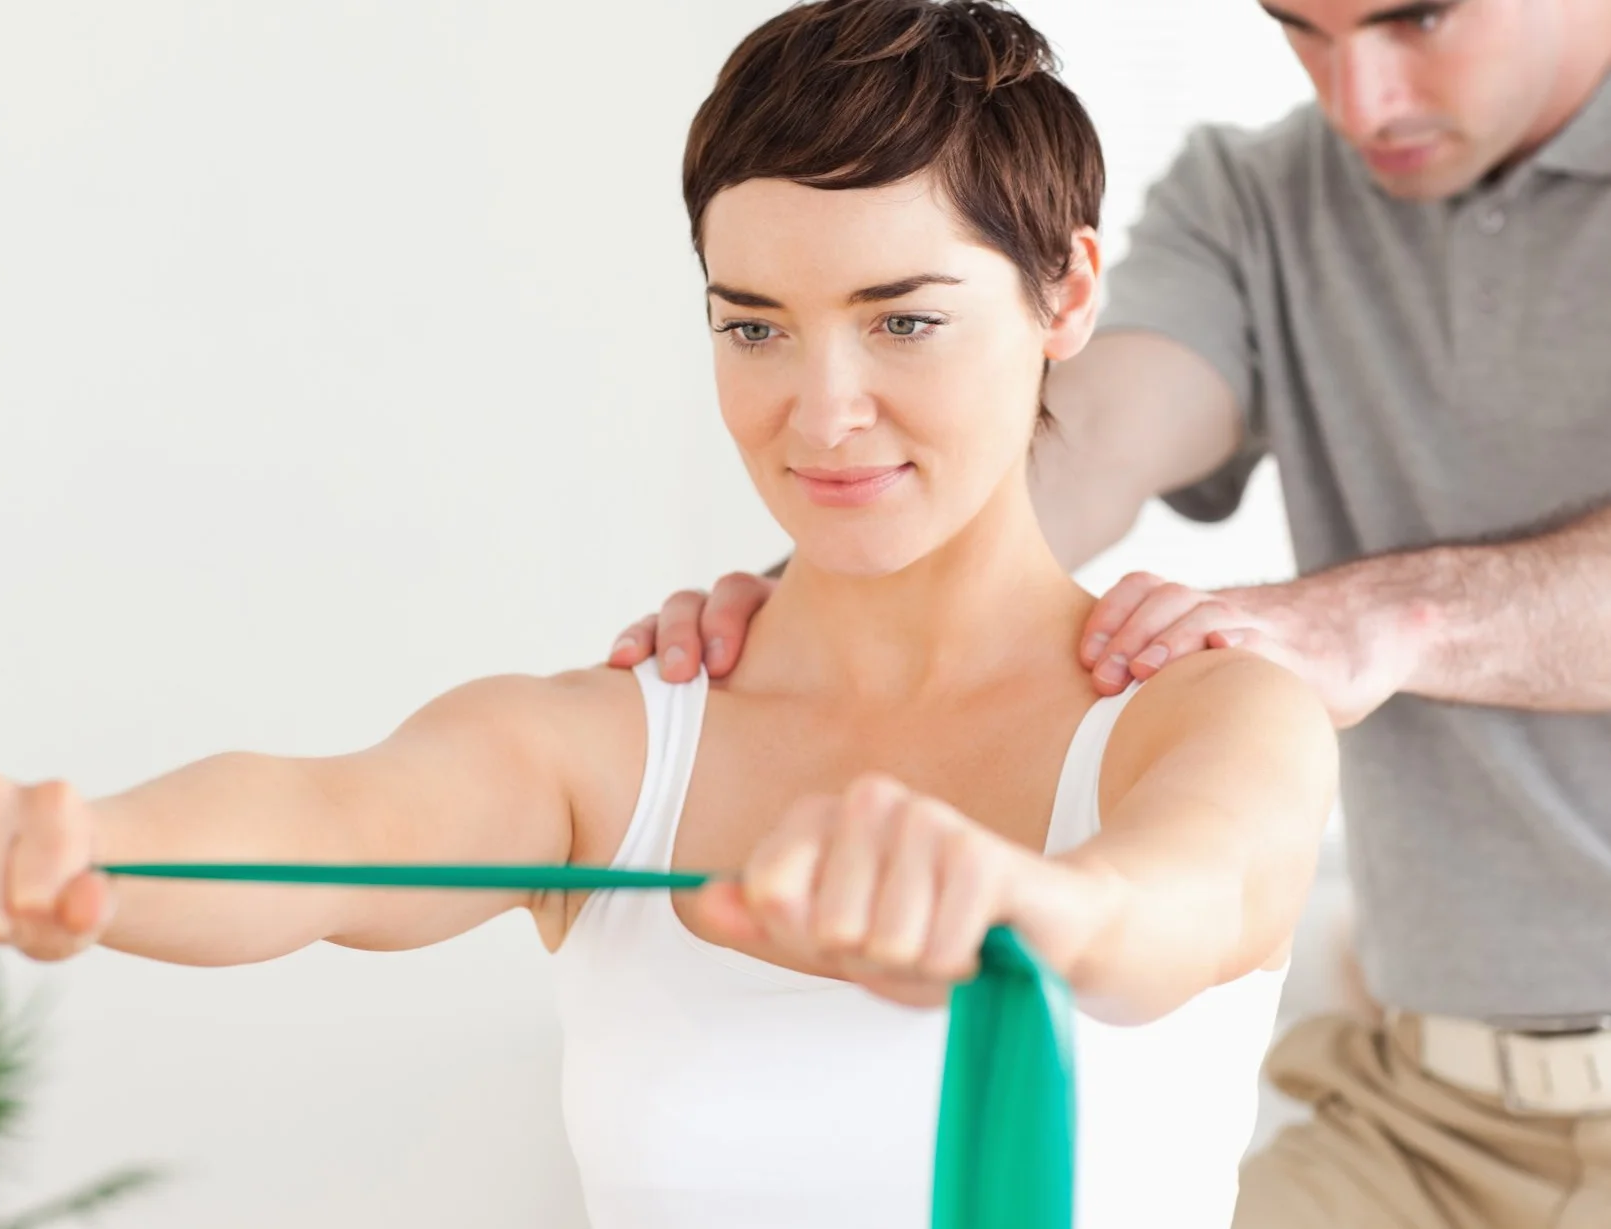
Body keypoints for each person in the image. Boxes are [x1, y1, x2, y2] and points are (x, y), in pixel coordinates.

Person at [0, 2, 1337, 1226]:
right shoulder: (609, 746)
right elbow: (329, 825)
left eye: (901, 318)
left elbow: (1174, 908)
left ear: (1065, 290)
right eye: (752, 323)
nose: (820, 412)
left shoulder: (1204, 711)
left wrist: (1020, 903)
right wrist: (74, 852)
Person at [614, 0, 1611, 1225]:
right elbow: (1062, 447)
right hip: (1417, 1109)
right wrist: (797, 605)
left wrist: (1386, 620)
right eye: (1303, 29)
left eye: (1417, 22)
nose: (1359, 100)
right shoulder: (1263, 198)